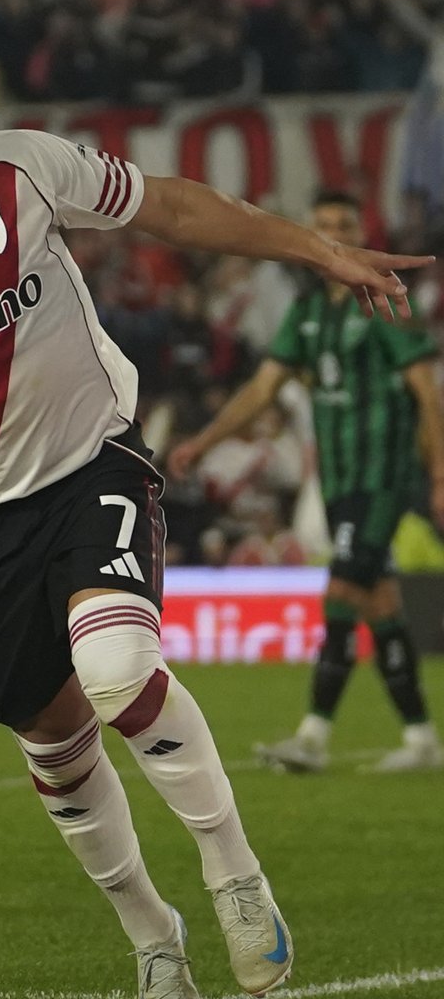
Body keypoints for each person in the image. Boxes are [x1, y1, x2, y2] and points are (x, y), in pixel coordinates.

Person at [0, 12, 431, 999]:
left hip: (91, 464)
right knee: (54, 743)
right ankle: (151, 939)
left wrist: (315, 249)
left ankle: (233, 869)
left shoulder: (21, 172)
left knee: (120, 669)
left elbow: (168, 205)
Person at [169, 190, 444, 774]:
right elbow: (262, 390)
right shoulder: (308, 314)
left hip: (381, 478)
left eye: (343, 225)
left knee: (342, 592)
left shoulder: (385, 303)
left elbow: (426, 393)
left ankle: (312, 737)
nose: (332, 236)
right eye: (322, 227)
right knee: (380, 603)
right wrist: (204, 441)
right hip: (340, 481)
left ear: (359, 231)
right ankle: (421, 739)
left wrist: (440, 473)